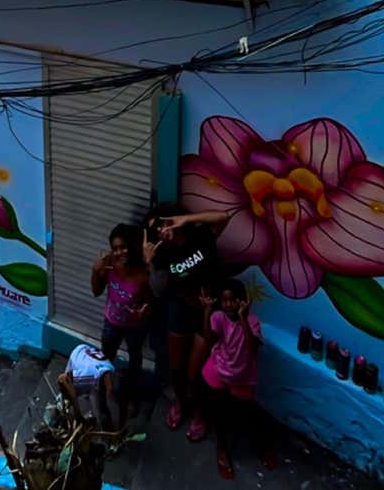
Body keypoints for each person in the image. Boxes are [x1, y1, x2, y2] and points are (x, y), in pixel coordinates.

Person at [142, 205, 228, 437]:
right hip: (180, 309)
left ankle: (199, 413)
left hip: (207, 311)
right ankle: (180, 403)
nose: (161, 230)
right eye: (155, 230)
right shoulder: (163, 254)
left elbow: (223, 217)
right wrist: (149, 263)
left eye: (162, 222)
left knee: (194, 373)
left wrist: (187, 219)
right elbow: (158, 290)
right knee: (175, 368)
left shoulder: (198, 235)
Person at [198, 278, 274, 479]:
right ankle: (221, 450)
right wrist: (206, 311)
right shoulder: (218, 317)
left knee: (248, 414)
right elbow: (208, 340)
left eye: (233, 300)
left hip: (242, 375)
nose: (229, 305)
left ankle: (261, 447)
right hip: (221, 368)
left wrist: (242, 317)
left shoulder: (252, 322)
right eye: (224, 300)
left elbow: (252, 348)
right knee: (220, 413)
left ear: (243, 302)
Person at [91, 223, 150, 416]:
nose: (119, 253)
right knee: (105, 358)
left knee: (135, 361)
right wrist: (96, 271)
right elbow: (96, 291)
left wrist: (144, 313)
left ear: (132, 247)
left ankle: (131, 398)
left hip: (135, 327)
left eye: (123, 247)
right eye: (115, 248)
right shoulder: (109, 265)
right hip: (112, 323)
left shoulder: (143, 272)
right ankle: (104, 392)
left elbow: (151, 301)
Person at [63, 343, 120, 430]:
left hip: (86, 351)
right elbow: (63, 380)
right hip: (77, 355)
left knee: (101, 406)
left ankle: (106, 428)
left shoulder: (111, 369)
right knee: (69, 392)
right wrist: (76, 410)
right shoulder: (87, 377)